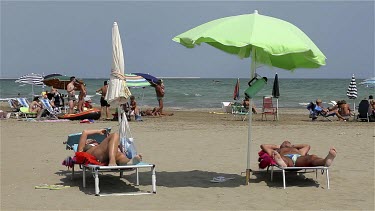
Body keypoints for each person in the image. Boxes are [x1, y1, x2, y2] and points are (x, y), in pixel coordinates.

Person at [77, 129, 142, 166]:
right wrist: (98, 131)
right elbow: (85, 132)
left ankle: (129, 162)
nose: (91, 140)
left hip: (104, 155)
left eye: (92, 140)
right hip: (95, 155)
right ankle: (112, 160)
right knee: (115, 135)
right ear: (86, 142)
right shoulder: (83, 148)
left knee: (117, 154)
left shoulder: (99, 145)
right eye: (88, 140)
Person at [260, 141, 337, 168]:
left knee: (312, 157)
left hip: (299, 158)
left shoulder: (297, 150)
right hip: (285, 158)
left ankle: (325, 161)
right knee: (281, 158)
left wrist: (293, 146)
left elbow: (307, 146)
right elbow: (263, 146)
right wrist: (278, 147)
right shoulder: (279, 150)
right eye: (284, 142)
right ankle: (282, 163)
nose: (286, 142)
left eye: (288, 142)